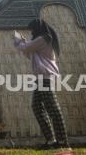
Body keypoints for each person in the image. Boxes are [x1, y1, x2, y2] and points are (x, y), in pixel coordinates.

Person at [13, 18, 71, 150]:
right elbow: (29, 52)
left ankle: (63, 142)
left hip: (45, 77)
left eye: (32, 29)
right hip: (40, 78)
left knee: (52, 108)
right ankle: (51, 140)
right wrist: (24, 43)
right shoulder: (40, 41)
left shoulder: (45, 38)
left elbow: (24, 48)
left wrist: (19, 41)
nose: (31, 32)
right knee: (37, 107)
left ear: (37, 28)